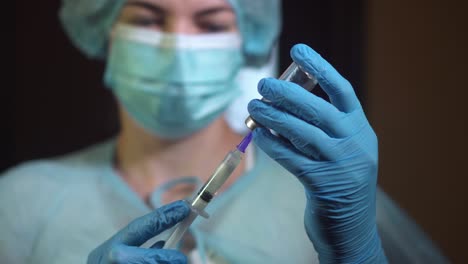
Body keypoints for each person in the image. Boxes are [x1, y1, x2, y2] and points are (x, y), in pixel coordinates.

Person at [2, 0, 449, 263]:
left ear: (248, 40)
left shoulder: (336, 201)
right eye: (147, 19)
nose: (177, 46)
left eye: (211, 23)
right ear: (103, 32)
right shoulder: (21, 201)